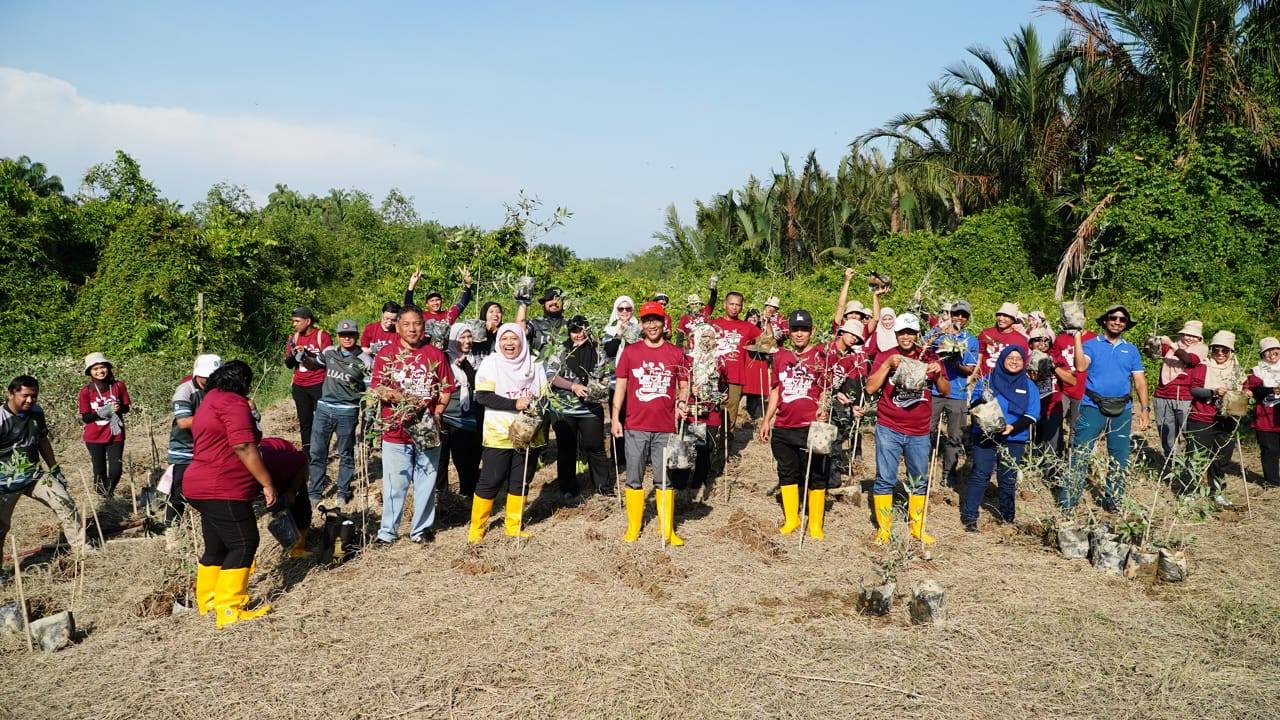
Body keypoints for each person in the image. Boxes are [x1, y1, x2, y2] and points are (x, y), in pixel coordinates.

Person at [182, 360, 276, 628]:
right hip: (222, 486)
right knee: (244, 543)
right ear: (242, 382)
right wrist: (267, 483)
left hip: (197, 484)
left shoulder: (210, 399)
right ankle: (229, 609)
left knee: (217, 546)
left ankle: (208, 601)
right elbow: (244, 446)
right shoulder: (233, 403)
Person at [370, 305, 455, 544]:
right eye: (406, 324)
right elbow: (378, 388)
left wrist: (438, 412)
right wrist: (402, 399)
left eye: (417, 323)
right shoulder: (386, 354)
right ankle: (387, 532)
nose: (412, 328)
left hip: (427, 429)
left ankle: (421, 530)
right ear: (397, 327)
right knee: (395, 484)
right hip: (395, 430)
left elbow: (447, 388)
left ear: (424, 325)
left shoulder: (435, 354)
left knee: (426, 481)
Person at [864, 313, 950, 544]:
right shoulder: (886, 355)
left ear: (916, 334)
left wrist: (939, 373)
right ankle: (884, 529)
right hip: (889, 427)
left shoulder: (929, 356)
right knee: (885, 479)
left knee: (919, 480)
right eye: (902, 332)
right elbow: (870, 388)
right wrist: (886, 366)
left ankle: (917, 528)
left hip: (919, 431)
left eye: (911, 332)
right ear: (896, 334)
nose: (906, 337)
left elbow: (945, 391)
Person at [611, 301, 690, 545]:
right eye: (647, 320)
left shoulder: (676, 353)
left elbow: (684, 385)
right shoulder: (631, 352)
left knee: (664, 479)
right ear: (642, 324)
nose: (652, 324)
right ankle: (634, 526)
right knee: (633, 477)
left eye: (656, 319)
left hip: (665, 427)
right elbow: (621, 386)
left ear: (664, 321)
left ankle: (667, 529)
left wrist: (682, 403)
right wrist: (615, 417)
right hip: (635, 425)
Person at [1062, 304, 1149, 511]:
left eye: (1122, 319)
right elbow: (1081, 366)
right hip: (1092, 406)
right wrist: (1076, 337)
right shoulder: (1092, 344)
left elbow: (1140, 381)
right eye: (1113, 318)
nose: (1117, 322)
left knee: (1119, 456)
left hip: (1123, 409)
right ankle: (1069, 502)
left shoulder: (1131, 349)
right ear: (1104, 321)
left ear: (1126, 325)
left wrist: (1145, 409)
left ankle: (1114, 501)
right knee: (1080, 453)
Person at [468, 322, 549, 541]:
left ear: (522, 341)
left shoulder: (534, 363)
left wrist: (536, 415)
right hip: (499, 433)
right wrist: (516, 404)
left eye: (514, 338)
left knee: (520, 480)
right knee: (491, 480)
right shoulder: (491, 363)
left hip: (528, 433)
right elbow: (483, 396)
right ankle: (477, 529)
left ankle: (513, 526)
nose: (509, 343)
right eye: (504, 339)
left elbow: (543, 396)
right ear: (498, 341)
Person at [1, 375, 88, 568]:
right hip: (5, 482)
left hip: (34, 475)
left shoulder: (36, 412)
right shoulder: (1, 419)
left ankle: (83, 551)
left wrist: (54, 468)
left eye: (34, 396)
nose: (30, 400)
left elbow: (41, 440)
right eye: (25, 396)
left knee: (64, 502)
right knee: (1, 528)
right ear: (11, 394)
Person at [759, 310, 832, 538]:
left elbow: (827, 388)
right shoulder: (781, 356)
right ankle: (792, 519)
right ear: (789, 332)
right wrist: (767, 419)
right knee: (787, 472)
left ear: (812, 331)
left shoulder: (821, 355)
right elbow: (776, 389)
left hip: (813, 427)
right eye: (795, 330)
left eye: (804, 329)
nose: (799, 334)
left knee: (817, 475)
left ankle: (816, 525)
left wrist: (824, 407)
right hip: (784, 426)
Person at [961, 346, 1040, 531]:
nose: (1014, 361)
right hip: (985, 436)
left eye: (1018, 358)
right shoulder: (987, 380)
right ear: (1002, 359)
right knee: (980, 474)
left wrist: (1013, 428)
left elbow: (1033, 414)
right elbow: (972, 406)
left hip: (1015, 438)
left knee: (1007, 478)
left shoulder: (1029, 385)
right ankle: (970, 517)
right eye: (1010, 358)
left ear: (1024, 362)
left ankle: (1007, 519)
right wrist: (981, 398)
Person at [308, 320, 373, 507]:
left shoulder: (365, 360)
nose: (347, 338)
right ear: (338, 336)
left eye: (351, 335)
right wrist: (303, 357)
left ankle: (343, 492)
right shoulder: (329, 352)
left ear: (356, 336)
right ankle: (315, 493)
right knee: (318, 452)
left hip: (347, 411)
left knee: (345, 453)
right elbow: (314, 364)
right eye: (343, 335)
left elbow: (370, 389)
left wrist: (368, 412)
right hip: (324, 407)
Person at [549, 315, 613, 500]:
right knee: (566, 448)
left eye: (582, 330)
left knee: (595, 447)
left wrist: (598, 389)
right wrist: (573, 386)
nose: (579, 335)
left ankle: (602, 486)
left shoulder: (597, 351)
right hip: (564, 408)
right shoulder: (561, 350)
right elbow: (550, 375)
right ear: (569, 333)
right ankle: (568, 487)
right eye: (574, 331)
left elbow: (605, 377)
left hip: (589, 409)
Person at [923, 300, 978, 488]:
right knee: (927, 430)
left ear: (968, 318)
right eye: (956, 314)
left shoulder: (970, 340)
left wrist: (955, 360)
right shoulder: (939, 333)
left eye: (964, 315)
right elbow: (923, 346)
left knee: (955, 436)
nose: (960, 318)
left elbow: (969, 370)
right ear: (950, 315)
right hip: (935, 390)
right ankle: (923, 467)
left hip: (957, 394)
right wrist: (939, 331)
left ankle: (949, 473)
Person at [1183, 331, 1241, 504]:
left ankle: (1217, 492)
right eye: (1216, 350)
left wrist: (1245, 393)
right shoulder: (1203, 367)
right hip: (1202, 417)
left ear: (1231, 351)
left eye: (1225, 350)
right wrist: (1213, 391)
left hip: (1227, 420)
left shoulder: (1237, 369)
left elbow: (1244, 388)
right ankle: (1189, 492)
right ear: (1211, 350)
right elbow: (1193, 389)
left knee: (1221, 459)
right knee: (1196, 457)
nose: (1220, 354)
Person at [165, 354, 221, 526]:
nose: (210, 380)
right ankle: (172, 527)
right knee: (179, 490)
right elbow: (183, 422)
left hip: (211, 447)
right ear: (197, 374)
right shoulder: (185, 390)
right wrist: (217, 418)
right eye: (206, 376)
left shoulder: (220, 388)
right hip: (185, 448)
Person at [674, 323, 728, 501]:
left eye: (710, 337)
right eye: (703, 336)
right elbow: (681, 383)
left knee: (706, 448)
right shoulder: (688, 360)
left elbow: (724, 389)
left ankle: (699, 481)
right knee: (687, 444)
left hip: (711, 410)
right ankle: (680, 482)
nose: (706, 340)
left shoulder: (720, 362)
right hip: (691, 408)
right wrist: (691, 390)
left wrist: (715, 395)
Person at [1148, 320, 1207, 462]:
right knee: (1167, 434)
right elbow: (1152, 354)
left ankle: (1191, 464)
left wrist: (1172, 345)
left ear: (1199, 338)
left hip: (1185, 398)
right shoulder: (1171, 347)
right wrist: (1152, 341)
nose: (1189, 338)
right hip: (1163, 395)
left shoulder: (1201, 348)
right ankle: (1173, 464)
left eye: (1193, 336)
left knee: (1190, 433)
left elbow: (1190, 360)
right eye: (1186, 334)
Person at [440, 323, 484, 498]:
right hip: (445, 417)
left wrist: (467, 366)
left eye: (469, 336)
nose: (467, 341)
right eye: (462, 337)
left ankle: (467, 496)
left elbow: (478, 386)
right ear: (453, 340)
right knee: (441, 462)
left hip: (467, 419)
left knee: (467, 462)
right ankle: (442, 497)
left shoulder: (476, 359)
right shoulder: (443, 359)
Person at [78, 352, 130, 497]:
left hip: (116, 433)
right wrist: (103, 411)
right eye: (95, 369)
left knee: (116, 470)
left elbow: (126, 408)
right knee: (99, 471)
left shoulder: (118, 386)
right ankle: (104, 499)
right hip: (94, 437)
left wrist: (119, 407)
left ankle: (108, 492)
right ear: (90, 372)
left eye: (102, 367)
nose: (100, 371)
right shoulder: (86, 391)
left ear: (107, 368)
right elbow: (86, 418)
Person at [284, 306, 332, 459]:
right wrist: (293, 353)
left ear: (308, 321)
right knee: (305, 422)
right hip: (300, 385)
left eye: (297, 321)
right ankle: (307, 456)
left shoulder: (322, 336)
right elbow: (289, 364)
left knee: (322, 423)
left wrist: (308, 353)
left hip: (319, 384)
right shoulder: (294, 337)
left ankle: (321, 453)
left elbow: (329, 361)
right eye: (293, 321)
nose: (294, 325)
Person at [710, 291, 759, 435]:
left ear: (742, 307)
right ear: (725, 304)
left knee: (730, 415)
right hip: (714, 375)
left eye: (738, 305)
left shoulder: (747, 327)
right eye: (731, 304)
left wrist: (766, 321)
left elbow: (769, 341)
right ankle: (711, 449)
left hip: (735, 378)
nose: (734, 308)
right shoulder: (714, 324)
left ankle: (726, 450)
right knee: (712, 411)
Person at [827, 318, 868, 485]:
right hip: (820, 399)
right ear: (842, 332)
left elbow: (842, 384)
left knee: (836, 440)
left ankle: (833, 481)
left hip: (836, 401)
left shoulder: (850, 357)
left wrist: (842, 398)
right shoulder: (826, 350)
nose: (853, 338)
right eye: (851, 334)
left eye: (857, 337)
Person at [259, 436, 314, 560]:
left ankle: (299, 548)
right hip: (269, 474)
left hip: (292, 467)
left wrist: (292, 491)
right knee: (276, 509)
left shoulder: (276, 464)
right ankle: (289, 541)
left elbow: (302, 460)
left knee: (301, 507)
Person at [1026, 328, 1075, 459]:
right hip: (1032, 406)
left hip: (1053, 405)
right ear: (1030, 344)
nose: (1042, 343)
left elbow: (1072, 380)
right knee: (1034, 441)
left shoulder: (1056, 358)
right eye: (1037, 340)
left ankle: (1052, 474)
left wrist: (1053, 366)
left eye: (1046, 340)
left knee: (1053, 444)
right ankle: (1034, 470)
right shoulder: (1024, 359)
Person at [1244, 337, 1280, 487]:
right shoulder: (1257, 371)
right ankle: (1272, 482)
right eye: (1267, 351)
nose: (1271, 354)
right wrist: (1272, 390)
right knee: (1270, 450)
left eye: (1275, 350)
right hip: (1266, 417)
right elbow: (1254, 389)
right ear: (1262, 354)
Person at [404, 267, 474, 325]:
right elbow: (408, 305)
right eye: (432, 301)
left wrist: (468, 285)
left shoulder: (449, 314)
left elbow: (463, 303)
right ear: (427, 304)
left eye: (437, 299)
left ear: (441, 301)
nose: (435, 303)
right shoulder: (422, 315)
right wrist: (412, 284)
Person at [977, 302, 1030, 375]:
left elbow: (1023, 364)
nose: (1001, 318)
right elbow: (977, 355)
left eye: (1005, 316)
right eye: (999, 315)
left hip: (1007, 381)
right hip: (983, 379)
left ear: (1013, 319)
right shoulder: (986, 334)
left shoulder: (1021, 340)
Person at [675, 276, 718, 348]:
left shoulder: (706, 311)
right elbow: (680, 337)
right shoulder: (684, 318)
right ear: (689, 306)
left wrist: (714, 290)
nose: (694, 306)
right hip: (692, 349)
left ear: (700, 304)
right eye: (692, 304)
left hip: (707, 347)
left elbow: (712, 300)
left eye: (696, 303)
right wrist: (677, 352)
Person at [527, 287, 566, 353]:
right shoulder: (534, 324)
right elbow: (519, 333)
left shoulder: (571, 324)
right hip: (539, 362)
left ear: (563, 303)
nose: (554, 302)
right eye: (550, 299)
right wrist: (523, 304)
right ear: (544, 303)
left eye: (558, 299)